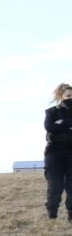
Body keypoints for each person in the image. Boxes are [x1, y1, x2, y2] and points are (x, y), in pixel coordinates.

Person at [44, 83, 72, 220]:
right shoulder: (52, 112)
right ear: (61, 97)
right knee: (55, 186)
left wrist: (62, 124)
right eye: (68, 96)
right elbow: (49, 128)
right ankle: (52, 215)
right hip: (54, 153)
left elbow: (56, 130)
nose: (70, 98)